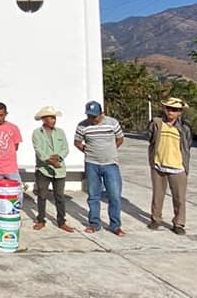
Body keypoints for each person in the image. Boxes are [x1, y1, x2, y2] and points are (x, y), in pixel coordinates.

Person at [75, 101, 126, 236]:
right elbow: (77, 142)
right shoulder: (82, 126)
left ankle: (115, 225)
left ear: (101, 114)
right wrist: (87, 151)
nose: (92, 119)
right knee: (93, 195)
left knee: (114, 195)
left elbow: (120, 138)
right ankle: (94, 223)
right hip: (92, 164)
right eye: (90, 116)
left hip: (110, 164)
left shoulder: (112, 123)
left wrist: (110, 151)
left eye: (95, 116)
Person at [147, 97, 193, 235]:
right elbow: (150, 138)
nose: (171, 112)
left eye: (175, 110)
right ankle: (156, 219)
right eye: (169, 109)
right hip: (159, 164)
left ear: (180, 112)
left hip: (178, 166)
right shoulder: (157, 123)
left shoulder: (184, 127)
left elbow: (188, 144)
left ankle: (178, 223)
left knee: (179, 197)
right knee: (157, 195)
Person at [31, 106, 73, 232]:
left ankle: (61, 221)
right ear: (43, 119)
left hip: (59, 169)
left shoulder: (60, 132)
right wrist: (50, 161)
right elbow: (38, 150)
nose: (53, 120)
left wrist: (58, 158)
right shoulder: (37, 133)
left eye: (54, 117)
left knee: (59, 196)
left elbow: (65, 148)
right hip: (43, 169)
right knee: (42, 195)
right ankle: (41, 220)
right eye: (50, 117)